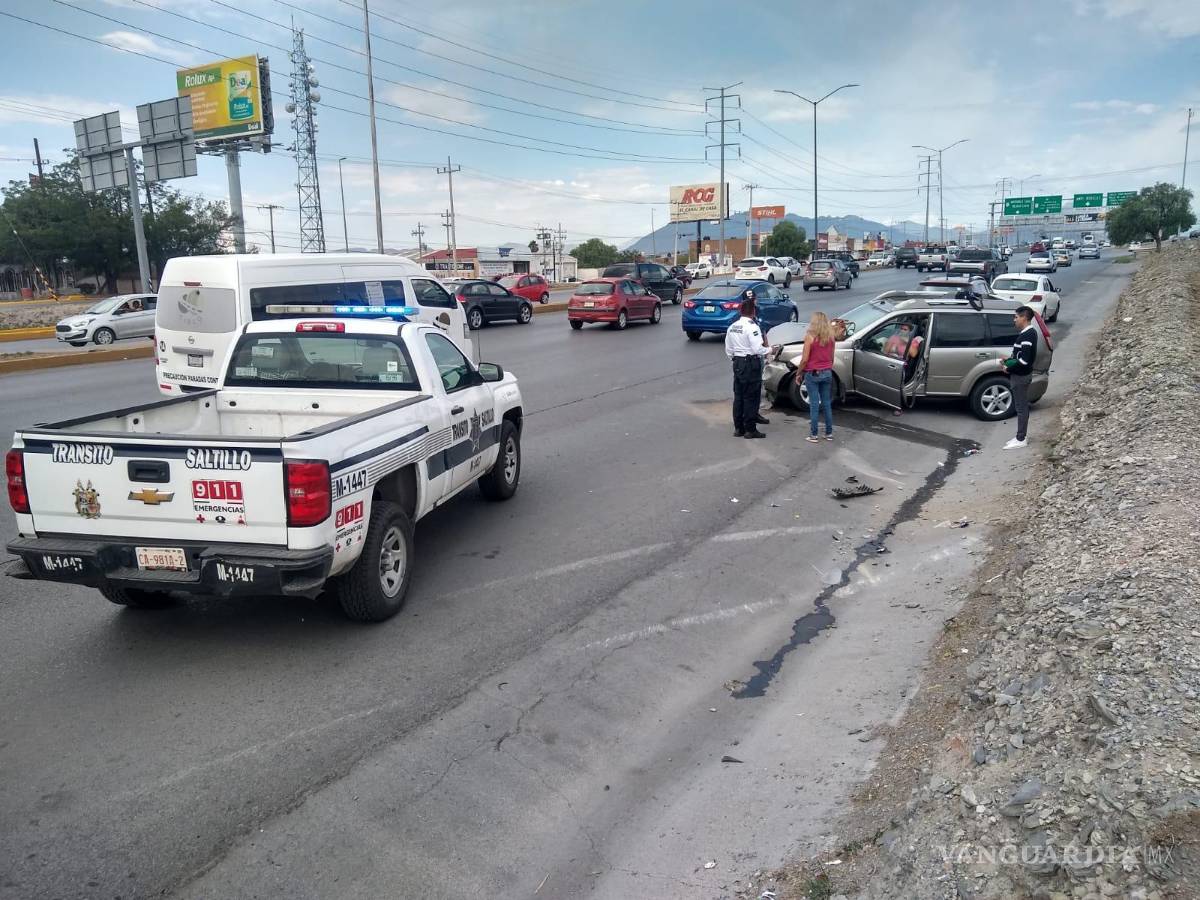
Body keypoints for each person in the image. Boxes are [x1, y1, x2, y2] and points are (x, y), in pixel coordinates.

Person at [724, 289, 769, 439]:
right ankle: (750, 429)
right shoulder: (752, 326)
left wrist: (736, 359)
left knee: (739, 396)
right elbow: (758, 348)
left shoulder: (733, 327)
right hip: (751, 364)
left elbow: (728, 349)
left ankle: (739, 428)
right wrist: (771, 349)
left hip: (738, 363)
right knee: (751, 396)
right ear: (753, 312)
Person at [795, 310, 837, 443]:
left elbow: (805, 359)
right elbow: (831, 357)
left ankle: (814, 434)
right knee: (826, 403)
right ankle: (829, 433)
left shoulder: (810, 337)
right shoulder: (831, 337)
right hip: (827, 372)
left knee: (814, 405)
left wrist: (799, 373)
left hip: (813, 373)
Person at [1002, 305, 1039, 450]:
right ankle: (1020, 436)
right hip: (1020, 375)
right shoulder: (1027, 334)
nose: (1014, 320)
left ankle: (1021, 438)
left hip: (1020, 377)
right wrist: (1008, 360)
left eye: (1016, 317)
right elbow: (1019, 357)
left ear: (1024, 317)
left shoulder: (1027, 335)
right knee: (1020, 406)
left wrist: (1008, 368)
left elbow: (1024, 361)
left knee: (1021, 407)